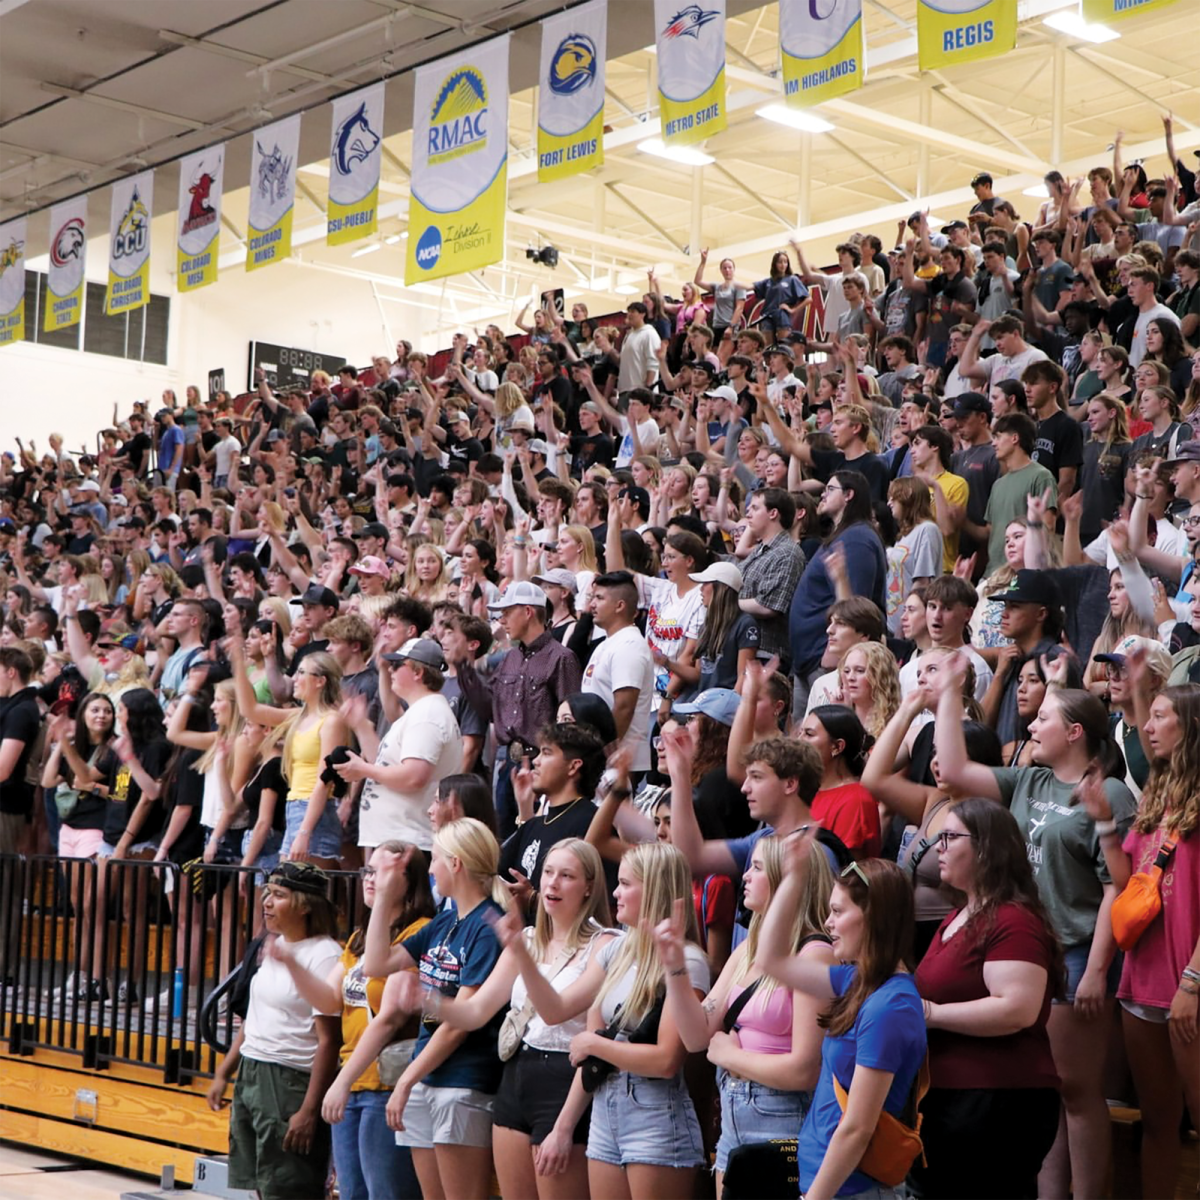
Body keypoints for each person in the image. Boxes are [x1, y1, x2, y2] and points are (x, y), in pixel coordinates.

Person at [932, 657, 1137, 1200]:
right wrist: (951, 692)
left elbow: (1118, 885)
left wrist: (1096, 970)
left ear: (1074, 733)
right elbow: (951, 772)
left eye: (1042, 717)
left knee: (1076, 1088)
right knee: (1049, 1084)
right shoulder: (1029, 779)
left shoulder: (1111, 793)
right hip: (1027, 947)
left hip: (1075, 951)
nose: (1029, 726)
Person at [406, 839, 616, 1200]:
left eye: (566, 876)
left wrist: (520, 953)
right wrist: (427, 1000)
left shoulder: (607, 944)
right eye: (548, 872)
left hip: (564, 1081)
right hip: (516, 1074)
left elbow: (554, 1010)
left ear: (589, 888)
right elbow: (475, 1011)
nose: (552, 884)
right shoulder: (530, 938)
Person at [1075, 682, 1200, 1200]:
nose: (1147, 727)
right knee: (1156, 1122)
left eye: (1159, 716)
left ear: (1190, 726)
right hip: (1142, 980)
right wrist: (1104, 820)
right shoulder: (1157, 793)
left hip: (1188, 981)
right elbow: (1128, 884)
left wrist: (1193, 981)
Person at [654, 834, 834, 1193]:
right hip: (734, 1113)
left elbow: (806, 1070)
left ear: (788, 881)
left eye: (756, 868)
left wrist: (731, 1055)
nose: (745, 877)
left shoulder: (813, 954)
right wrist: (674, 966)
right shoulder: (746, 950)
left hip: (783, 1118)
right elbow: (695, 1036)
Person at [756, 841, 927, 1200]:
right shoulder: (856, 981)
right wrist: (793, 880)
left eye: (837, 911)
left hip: (852, 1190)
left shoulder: (890, 1006)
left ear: (872, 916)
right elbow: (770, 959)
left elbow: (858, 1128)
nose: (828, 923)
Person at [911, 800, 1064, 1200]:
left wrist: (933, 1014)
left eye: (949, 837)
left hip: (999, 1103)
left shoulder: (1013, 920)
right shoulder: (959, 915)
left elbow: (1017, 1008)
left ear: (985, 848)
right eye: (937, 837)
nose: (938, 848)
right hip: (953, 1100)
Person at [361, 818, 508, 1200]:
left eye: (436, 859)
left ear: (456, 864)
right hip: (426, 1076)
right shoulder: (445, 921)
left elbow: (462, 1021)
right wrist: (383, 900)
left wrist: (407, 1079)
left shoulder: (488, 925)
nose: (429, 869)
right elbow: (374, 964)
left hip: (462, 1081)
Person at [287, 843, 435, 1200]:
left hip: (386, 1084)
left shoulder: (418, 932)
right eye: (368, 871)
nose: (371, 880)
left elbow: (390, 1018)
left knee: (386, 1193)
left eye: (382, 872)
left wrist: (341, 1081)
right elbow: (328, 1000)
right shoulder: (360, 937)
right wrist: (289, 962)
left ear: (408, 881)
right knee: (351, 1192)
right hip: (353, 1081)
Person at [206, 862, 343, 1200]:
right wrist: (225, 1072)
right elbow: (254, 1018)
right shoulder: (275, 945)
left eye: (279, 895)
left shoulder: (325, 955)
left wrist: (310, 1110)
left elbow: (329, 1040)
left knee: (289, 1186)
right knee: (258, 1184)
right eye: (267, 893)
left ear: (306, 904)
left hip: (289, 1082)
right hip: (252, 1073)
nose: (266, 901)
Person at [337, 638, 462, 857]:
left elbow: (414, 777)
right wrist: (361, 726)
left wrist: (364, 770)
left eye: (397, 665)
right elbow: (387, 765)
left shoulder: (427, 715)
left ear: (418, 672)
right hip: (399, 839)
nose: (390, 669)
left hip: (408, 842)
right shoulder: (422, 711)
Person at [582, 571, 655, 778]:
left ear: (620, 605)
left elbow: (624, 706)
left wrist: (603, 753)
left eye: (599, 598)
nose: (592, 605)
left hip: (619, 762)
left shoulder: (629, 645)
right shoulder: (608, 643)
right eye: (593, 598)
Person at [798, 705, 882, 859]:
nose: (799, 741)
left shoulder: (855, 801)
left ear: (837, 747)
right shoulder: (805, 788)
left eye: (809, 734)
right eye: (800, 733)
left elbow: (847, 871)